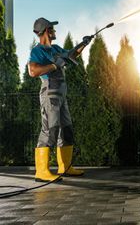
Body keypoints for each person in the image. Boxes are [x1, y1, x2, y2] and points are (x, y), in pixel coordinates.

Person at [28, 17, 92, 182]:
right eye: (52, 28)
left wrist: (83, 44)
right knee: (51, 129)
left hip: (61, 95)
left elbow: (70, 55)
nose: (55, 31)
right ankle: (41, 171)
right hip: (49, 93)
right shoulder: (38, 51)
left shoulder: (55, 48)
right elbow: (33, 71)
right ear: (46, 31)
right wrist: (54, 65)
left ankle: (66, 167)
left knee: (66, 130)